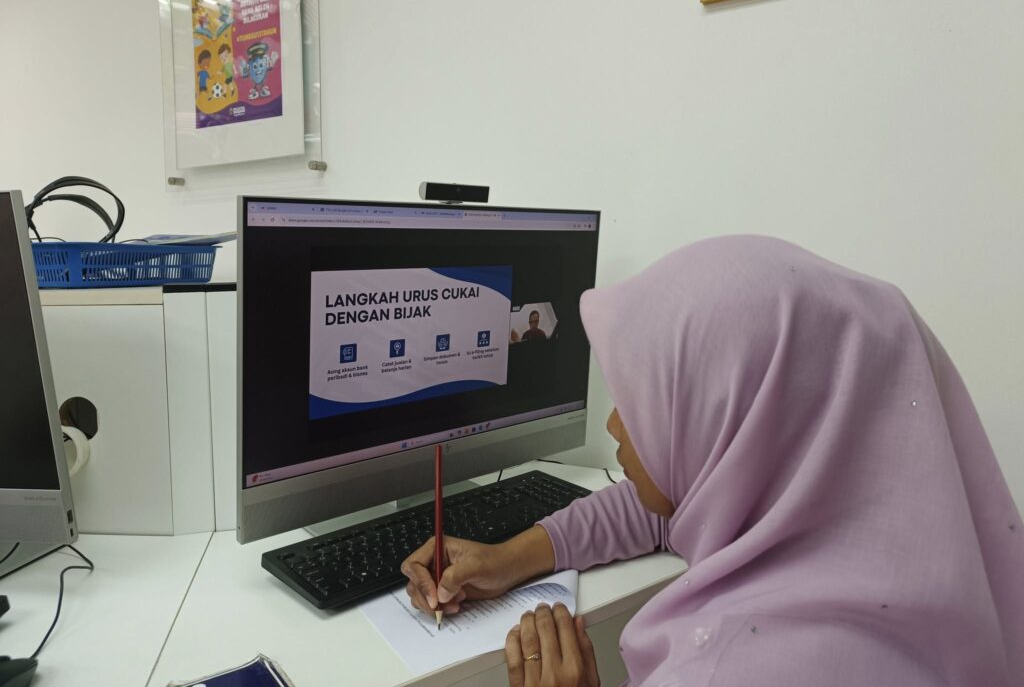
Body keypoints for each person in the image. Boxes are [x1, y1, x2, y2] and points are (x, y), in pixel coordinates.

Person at [402, 236, 1024, 686]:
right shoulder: (928, 535)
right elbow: (667, 507)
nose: (615, 424)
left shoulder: (723, 669)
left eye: (642, 404)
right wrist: (510, 558)